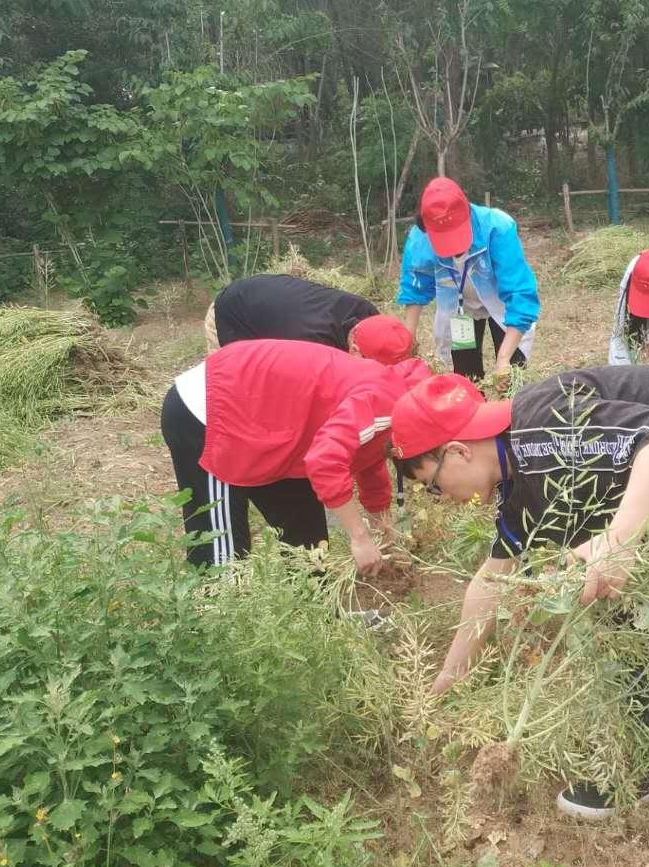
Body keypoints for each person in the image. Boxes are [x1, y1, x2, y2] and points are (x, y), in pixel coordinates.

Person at [388, 366, 649, 820]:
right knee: (634, 603)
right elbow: (492, 580)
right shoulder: (517, 477)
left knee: (616, 602)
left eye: (433, 486)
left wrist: (617, 542)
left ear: (457, 451)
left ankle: (640, 769)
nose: (441, 497)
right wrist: (451, 674)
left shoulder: (541, 431)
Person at [161, 338, 429, 571]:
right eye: (431, 483)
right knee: (222, 556)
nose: (438, 491)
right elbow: (325, 460)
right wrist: (360, 537)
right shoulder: (388, 403)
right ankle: (214, 609)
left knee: (309, 547)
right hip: (215, 407)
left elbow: (369, 458)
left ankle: (313, 606)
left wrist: (384, 534)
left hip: (274, 421)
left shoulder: (402, 409)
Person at [398, 177, 540, 382]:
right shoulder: (420, 239)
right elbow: (415, 287)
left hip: (501, 303)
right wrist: (407, 342)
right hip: (459, 308)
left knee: (511, 371)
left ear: (467, 213)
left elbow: (519, 294)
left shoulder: (497, 228)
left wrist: (503, 359)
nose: (453, 249)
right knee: (466, 377)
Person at [204, 272, 378, 352]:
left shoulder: (368, 312)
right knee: (230, 385)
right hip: (231, 313)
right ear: (354, 349)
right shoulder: (314, 344)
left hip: (266, 296)